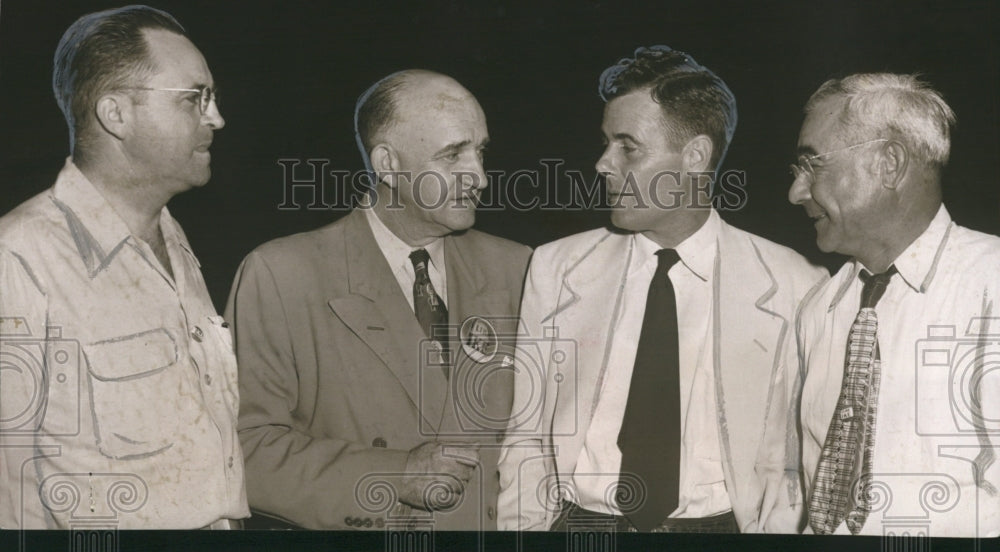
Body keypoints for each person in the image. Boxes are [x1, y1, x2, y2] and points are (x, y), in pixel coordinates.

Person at [497, 45, 828, 533]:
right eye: (607, 143)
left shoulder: (795, 282)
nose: (603, 164)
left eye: (628, 146)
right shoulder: (556, 267)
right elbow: (525, 439)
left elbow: (796, 466)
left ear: (695, 156)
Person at [226, 69, 531, 530]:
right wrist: (394, 475)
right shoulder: (280, 274)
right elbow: (240, 450)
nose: (480, 177)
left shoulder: (522, 269)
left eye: (480, 151)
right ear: (387, 165)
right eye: (453, 155)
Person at [0, 5, 246, 529]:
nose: (216, 117)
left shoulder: (174, 240)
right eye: (193, 99)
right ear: (116, 114)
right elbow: (10, 494)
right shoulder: (22, 256)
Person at [791, 73, 1000, 537]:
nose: (796, 193)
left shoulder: (993, 286)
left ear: (889, 163)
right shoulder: (818, 310)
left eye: (812, 166)